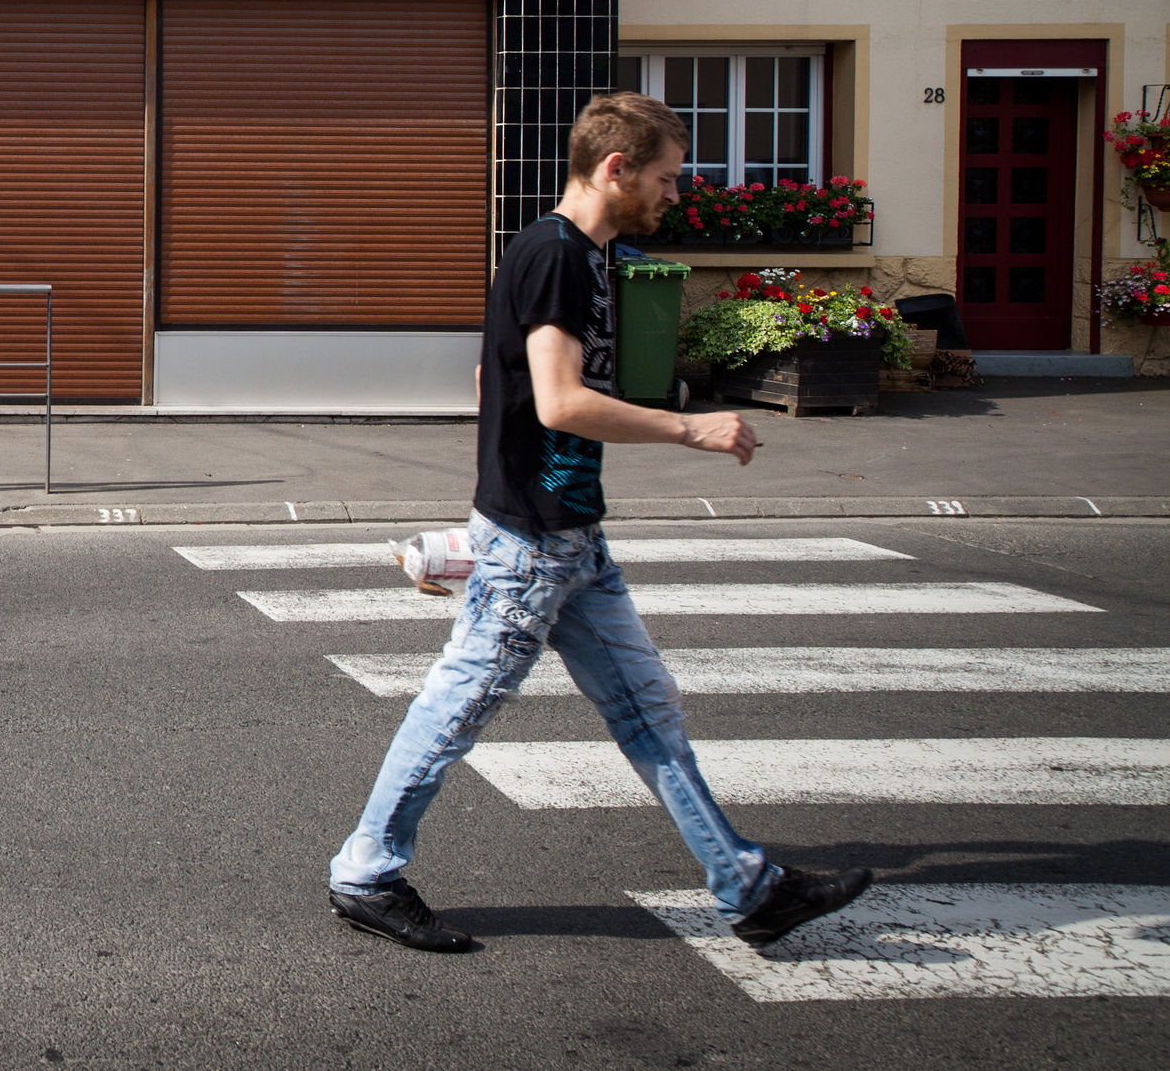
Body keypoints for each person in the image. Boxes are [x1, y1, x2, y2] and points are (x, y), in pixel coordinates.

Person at [326, 92, 871, 954]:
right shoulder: (557, 257)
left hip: (567, 534)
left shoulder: (586, 256)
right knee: (459, 705)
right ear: (615, 169)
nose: (675, 193)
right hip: (536, 540)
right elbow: (560, 398)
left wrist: (507, 479)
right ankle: (365, 870)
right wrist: (694, 428)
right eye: (665, 176)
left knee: (646, 708)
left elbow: (491, 380)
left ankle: (747, 883)